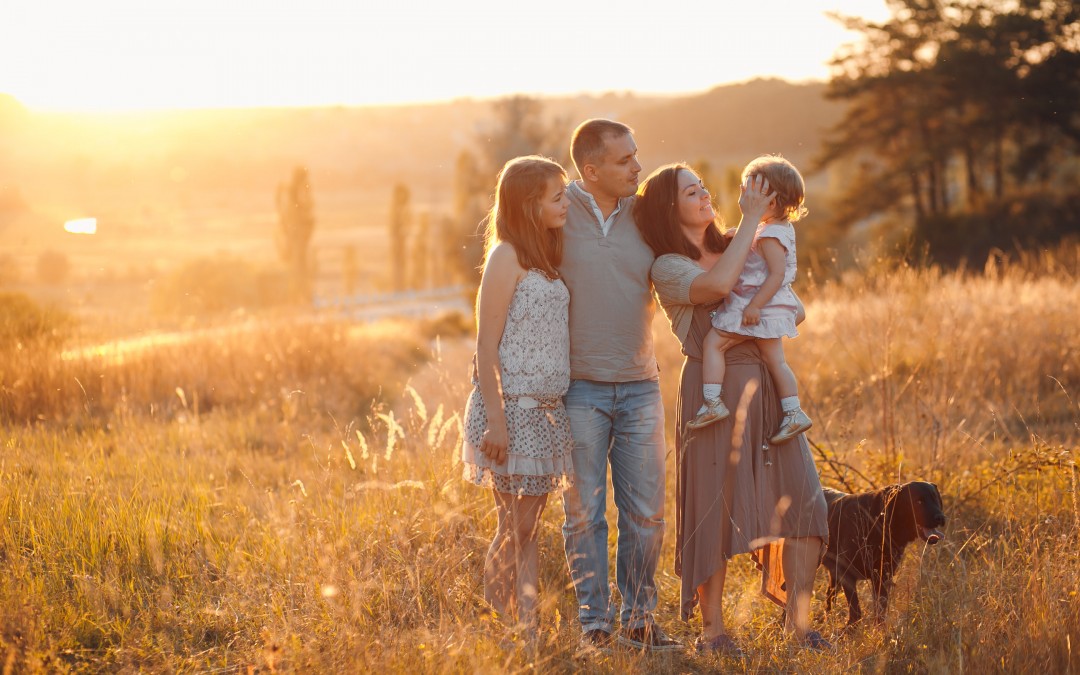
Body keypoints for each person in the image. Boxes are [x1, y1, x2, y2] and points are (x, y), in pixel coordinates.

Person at [634, 162, 831, 655]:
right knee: (713, 508)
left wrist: (775, 304)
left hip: (765, 381)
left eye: (703, 185)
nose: (704, 193)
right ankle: (713, 632)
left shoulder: (736, 243)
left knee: (806, 497)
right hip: (711, 391)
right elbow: (720, 288)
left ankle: (798, 622)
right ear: (668, 207)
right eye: (691, 190)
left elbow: (792, 299)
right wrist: (750, 221)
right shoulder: (667, 266)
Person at [557, 119, 680, 653]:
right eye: (625, 160)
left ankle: (638, 618)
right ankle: (595, 624)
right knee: (584, 511)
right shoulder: (556, 210)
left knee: (647, 514)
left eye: (637, 156)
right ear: (592, 170)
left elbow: (698, 248)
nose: (637, 167)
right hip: (578, 389)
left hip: (640, 388)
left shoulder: (648, 213)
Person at [461, 155, 575, 639]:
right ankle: (498, 624)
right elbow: (486, 347)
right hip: (509, 413)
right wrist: (497, 423)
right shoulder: (505, 257)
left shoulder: (546, 256)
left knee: (528, 530)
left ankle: (528, 629)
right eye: (558, 196)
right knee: (515, 528)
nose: (566, 203)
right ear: (530, 205)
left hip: (546, 417)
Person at [689, 155, 813, 446]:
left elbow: (777, 275)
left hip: (758, 307)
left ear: (769, 202)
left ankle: (712, 401)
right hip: (770, 307)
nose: (742, 195)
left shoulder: (769, 236)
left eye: (748, 191)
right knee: (776, 361)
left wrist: (755, 306)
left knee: (713, 343)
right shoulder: (774, 228)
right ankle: (794, 412)